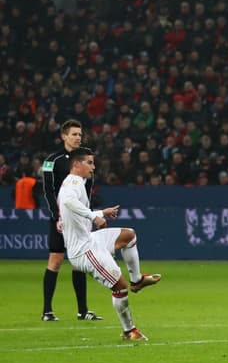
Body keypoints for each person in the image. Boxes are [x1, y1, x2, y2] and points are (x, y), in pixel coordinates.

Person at [56, 148, 162, 341]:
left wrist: (101, 213)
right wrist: (93, 217)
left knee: (129, 235)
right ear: (76, 165)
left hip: (90, 239)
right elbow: (69, 202)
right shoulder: (73, 182)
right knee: (119, 286)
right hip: (83, 250)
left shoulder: (78, 182)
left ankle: (137, 280)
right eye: (89, 162)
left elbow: (69, 208)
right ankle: (129, 331)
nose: (93, 167)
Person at [40, 119, 98, 322]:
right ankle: (47, 311)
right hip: (60, 219)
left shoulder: (84, 158)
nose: (77, 138)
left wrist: (87, 213)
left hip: (80, 219)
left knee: (79, 263)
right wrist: (57, 216)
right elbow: (48, 190)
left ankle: (83, 311)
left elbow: (88, 189)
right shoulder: (52, 160)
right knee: (55, 260)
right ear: (63, 136)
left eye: (80, 134)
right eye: (74, 134)